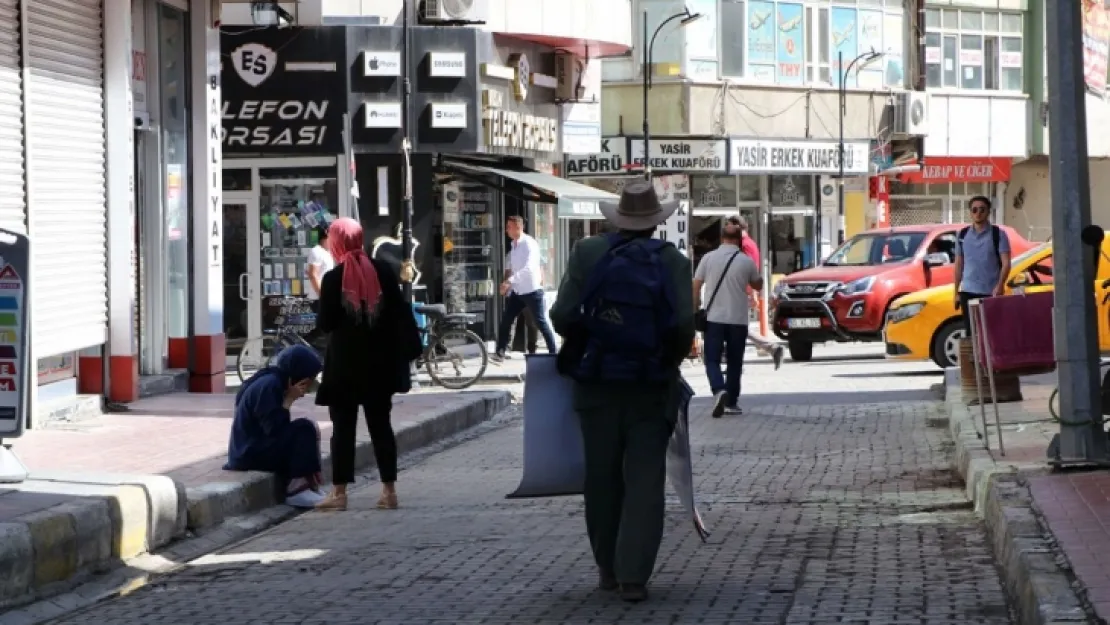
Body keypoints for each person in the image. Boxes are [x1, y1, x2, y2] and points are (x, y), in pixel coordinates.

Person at [550, 181, 695, 603]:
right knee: (645, 479)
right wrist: (665, 361)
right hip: (651, 387)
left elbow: (561, 316)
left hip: (596, 385)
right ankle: (634, 575)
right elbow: (683, 327)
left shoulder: (587, 253)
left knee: (602, 476)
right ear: (656, 223)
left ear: (617, 218)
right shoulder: (673, 261)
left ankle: (607, 569)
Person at [313, 218, 423, 512]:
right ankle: (389, 492)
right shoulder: (383, 271)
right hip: (380, 365)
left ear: (337, 242)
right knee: (381, 427)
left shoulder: (334, 278)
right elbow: (399, 313)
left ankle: (339, 494)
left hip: (345, 367)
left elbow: (325, 323)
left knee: (343, 430)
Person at [224, 344, 325, 509]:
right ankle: (296, 490)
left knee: (308, 427)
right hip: (249, 454)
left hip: (254, 447)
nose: (305, 390)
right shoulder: (269, 386)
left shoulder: (274, 380)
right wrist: (288, 401)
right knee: (305, 429)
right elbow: (275, 429)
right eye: (306, 383)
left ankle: (309, 485)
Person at [694, 222, 764, 418]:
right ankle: (731, 402)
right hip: (738, 319)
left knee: (712, 359)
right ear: (740, 240)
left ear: (721, 238)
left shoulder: (708, 258)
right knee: (735, 361)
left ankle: (718, 389)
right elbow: (757, 284)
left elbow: (696, 284)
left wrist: (695, 310)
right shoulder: (745, 261)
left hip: (714, 318)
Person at [493, 216, 558, 361]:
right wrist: (508, 287)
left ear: (518, 227)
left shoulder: (529, 244)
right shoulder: (513, 244)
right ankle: (500, 352)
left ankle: (553, 352)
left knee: (540, 322)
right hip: (518, 291)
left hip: (532, 291)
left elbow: (529, 268)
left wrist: (509, 281)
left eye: (509, 227)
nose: (506, 230)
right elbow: (514, 269)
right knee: (506, 320)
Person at [726, 215, 785, 369]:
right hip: (742, 290)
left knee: (734, 326)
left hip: (741, 291)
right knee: (736, 327)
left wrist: (750, 292)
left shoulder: (745, 245)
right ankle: (771, 348)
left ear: (737, 227)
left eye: (729, 226)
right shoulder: (747, 243)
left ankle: (768, 349)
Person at [954, 195, 1011, 334]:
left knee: (991, 333)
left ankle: (990, 357)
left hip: (990, 293)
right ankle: (976, 356)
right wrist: (955, 292)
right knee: (971, 334)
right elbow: (958, 265)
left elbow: (1006, 263)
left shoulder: (998, 234)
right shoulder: (962, 235)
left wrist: (1000, 285)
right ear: (970, 212)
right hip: (967, 291)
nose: (978, 213)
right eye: (974, 210)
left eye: (982, 209)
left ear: (988, 211)